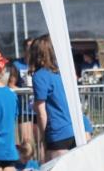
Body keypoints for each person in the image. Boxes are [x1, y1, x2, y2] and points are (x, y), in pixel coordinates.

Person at [31, 34, 76, 162]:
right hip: (73, 130)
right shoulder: (62, 73)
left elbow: (41, 112)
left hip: (57, 133)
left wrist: (43, 139)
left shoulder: (40, 76)